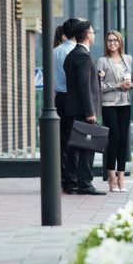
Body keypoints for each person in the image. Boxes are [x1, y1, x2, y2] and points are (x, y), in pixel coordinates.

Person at [63, 19, 104, 195]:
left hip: (74, 109)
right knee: (88, 147)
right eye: (93, 32)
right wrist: (90, 113)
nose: (94, 35)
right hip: (83, 110)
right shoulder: (82, 55)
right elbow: (83, 87)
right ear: (87, 35)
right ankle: (85, 183)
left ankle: (72, 182)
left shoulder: (73, 54)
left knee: (74, 148)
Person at [97, 30, 133, 192]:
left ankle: (121, 177)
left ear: (120, 42)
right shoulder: (102, 61)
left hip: (125, 103)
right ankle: (111, 177)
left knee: (123, 140)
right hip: (109, 104)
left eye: (115, 40)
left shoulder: (128, 59)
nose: (112, 43)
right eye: (109, 41)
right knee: (114, 138)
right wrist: (116, 85)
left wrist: (129, 85)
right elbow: (98, 87)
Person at [54, 17, 82, 193]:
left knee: (62, 140)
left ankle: (63, 179)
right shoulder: (76, 52)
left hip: (59, 98)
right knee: (75, 139)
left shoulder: (54, 51)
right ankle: (72, 179)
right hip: (73, 97)